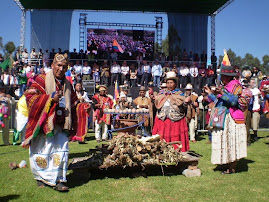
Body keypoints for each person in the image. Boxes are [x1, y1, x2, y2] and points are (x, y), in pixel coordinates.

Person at [23, 53, 85, 191]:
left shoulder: (68, 84)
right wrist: (49, 98)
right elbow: (30, 97)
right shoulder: (41, 79)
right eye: (58, 65)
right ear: (52, 65)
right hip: (43, 124)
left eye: (64, 66)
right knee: (42, 150)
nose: (61, 69)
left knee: (61, 152)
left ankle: (58, 180)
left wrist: (82, 106)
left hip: (61, 123)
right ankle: (40, 177)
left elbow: (74, 102)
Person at [204, 65, 249, 174]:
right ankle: (225, 163)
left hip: (231, 118)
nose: (221, 78)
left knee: (230, 142)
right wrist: (210, 93)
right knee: (223, 141)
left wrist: (222, 93)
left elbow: (234, 102)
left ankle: (232, 168)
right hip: (222, 117)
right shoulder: (226, 86)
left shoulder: (235, 86)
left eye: (223, 76)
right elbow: (219, 102)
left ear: (228, 76)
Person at [152, 71, 191, 152]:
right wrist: (153, 100)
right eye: (168, 83)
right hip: (162, 119)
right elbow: (157, 104)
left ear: (175, 84)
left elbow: (184, 106)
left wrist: (186, 102)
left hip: (175, 119)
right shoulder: (162, 93)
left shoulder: (179, 94)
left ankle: (176, 150)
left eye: (171, 83)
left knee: (175, 136)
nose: (169, 85)